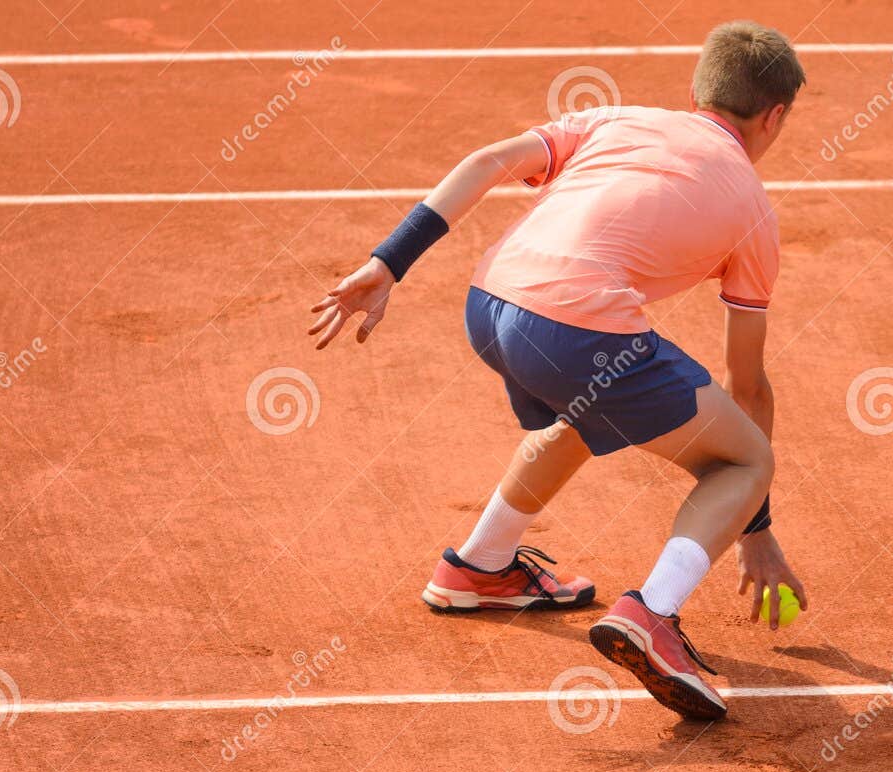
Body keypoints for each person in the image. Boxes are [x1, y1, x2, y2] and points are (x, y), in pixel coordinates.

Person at [309, 21, 808, 721]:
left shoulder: (614, 118)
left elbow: (486, 162)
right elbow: (747, 384)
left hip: (489, 306)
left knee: (587, 407)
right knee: (746, 459)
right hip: (575, 328)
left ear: (700, 90)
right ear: (774, 115)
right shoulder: (754, 209)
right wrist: (755, 527)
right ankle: (653, 614)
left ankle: (479, 566)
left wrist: (388, 262)